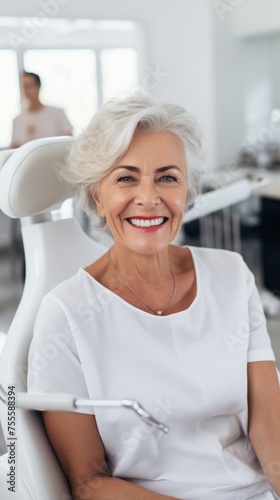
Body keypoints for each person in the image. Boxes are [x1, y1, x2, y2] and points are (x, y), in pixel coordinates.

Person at [27, 93, 280, 500]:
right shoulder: (66, 314)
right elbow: (89, 483)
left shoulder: (231, 274)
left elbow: (270, 433)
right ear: (97, 195)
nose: (149, 198)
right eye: (126, 178)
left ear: (186, 191)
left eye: (167, 177)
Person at [10, 71, 72, 148]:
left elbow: (69, 141)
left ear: (38, 86)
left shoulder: (57, 113)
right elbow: (15, 148)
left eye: (29, 85)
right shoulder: (17, 121)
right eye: (23, 86)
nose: (25, 90)